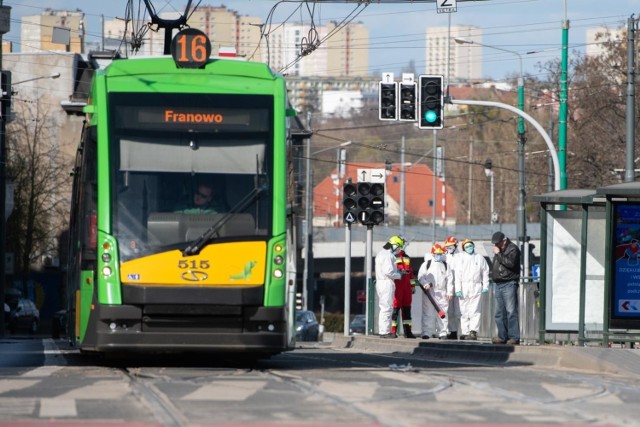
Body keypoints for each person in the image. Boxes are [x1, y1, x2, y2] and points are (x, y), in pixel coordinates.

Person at [417, 244, 454, 340]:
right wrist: (425, 284)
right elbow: (421, 276)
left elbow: (450, 279)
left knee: (443, 313)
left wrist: (450, 292)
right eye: (436, 253)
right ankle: (426, 332)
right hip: (429, 293)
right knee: (428, 313)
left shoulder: (445, 265)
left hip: (442, 293)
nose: (438, 255)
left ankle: (443, 332)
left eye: (440, 253)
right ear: (432, 253)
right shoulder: (426, 264)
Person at [456, 239, 490, 340]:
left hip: (476, 286)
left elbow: (485, 272)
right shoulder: (461, 258)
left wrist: (485, 286)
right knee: (464, 310)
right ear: (463, 249)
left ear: (473, 246)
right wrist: (458, 289)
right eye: (466, 247)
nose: (469, 248)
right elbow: (458, 274)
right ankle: (465, 332)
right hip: (464, 287)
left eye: (470, 246)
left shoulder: (479, 258)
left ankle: (473, 331)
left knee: (475, 310)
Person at [491, 231, 521, 345]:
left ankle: (514, 337)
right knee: (499, 313)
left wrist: (498, 254)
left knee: (511, 311)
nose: (495, 246)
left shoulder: (513, 249)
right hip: (498, 284)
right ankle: (502, 336)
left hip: (509, 283)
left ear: (503, 241)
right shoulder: (499, 250)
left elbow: (510, 264)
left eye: (497, 243)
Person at [375, 235, 404, 338]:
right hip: (386, 282)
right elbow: (388, 272)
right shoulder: (388, 255)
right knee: (387, 308)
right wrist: (399, 275)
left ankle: (384, 331)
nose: (399, 250)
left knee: (384, 307)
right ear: (395, 245)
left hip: (381, 282)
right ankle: (385, 332)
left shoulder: (380, 254)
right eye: (399, 247)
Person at [391, 249, 417, 339]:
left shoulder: (407, 257)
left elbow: (411, 274)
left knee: (407, 311)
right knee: (395, 310)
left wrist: (412, 286)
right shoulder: (392, 257)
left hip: (406, 287)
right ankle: (393, 332)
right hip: (397, 286)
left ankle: (408, 332)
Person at [442, 235, 461, 340]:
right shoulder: (445, 256)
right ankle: (452, 331)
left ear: (455, 245)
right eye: (447, 246)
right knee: (449, 310)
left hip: (458, 286)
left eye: (451, 246)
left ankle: (463, 331)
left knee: (459, 310)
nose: (449, 248)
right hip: (448, 286)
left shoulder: (461, 257)